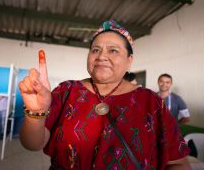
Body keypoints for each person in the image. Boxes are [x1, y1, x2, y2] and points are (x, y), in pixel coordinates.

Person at [18, 20, 190, 169]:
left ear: (129, 60)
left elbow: (178, 163)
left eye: (113, 50)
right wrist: (36, 114)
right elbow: (32, 144)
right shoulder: (67, 91)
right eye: (95, 50)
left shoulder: (151, 102)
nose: (102, 56)